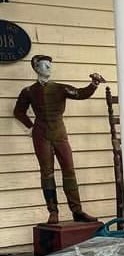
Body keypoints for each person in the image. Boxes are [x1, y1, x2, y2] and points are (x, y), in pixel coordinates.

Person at [13, 54, 105, 225]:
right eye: (44, 65)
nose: (48, 68)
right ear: (36, 68)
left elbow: (80, 93)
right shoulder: (28, 91)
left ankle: (77, 211)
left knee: (69, 170)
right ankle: (53, 212)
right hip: (41, 136)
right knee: (47, 173)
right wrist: (31, 126)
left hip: (59, 133)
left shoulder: (60, 88)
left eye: (50, 65)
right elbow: (18, 112)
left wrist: (94, 84)